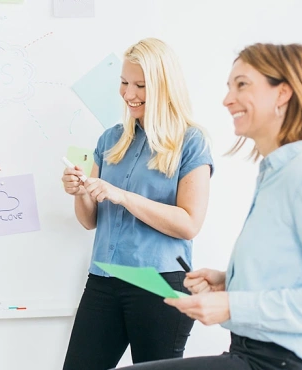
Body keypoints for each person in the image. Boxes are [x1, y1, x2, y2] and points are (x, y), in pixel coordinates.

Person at [113, 42, 302, 370]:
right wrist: (227, 281)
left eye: (242, 84)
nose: (227, 99)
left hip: (277, 360)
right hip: (248, 352)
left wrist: (232, 304)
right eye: (229, 86)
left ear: (283, 93)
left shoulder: (298, 173)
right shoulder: (274, 173)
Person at [61, 38, 214, 370]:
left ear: (163, 86)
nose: (128, 93)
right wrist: (81, 191)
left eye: (140, 85)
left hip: (158, 282)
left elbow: (189, 223)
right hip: (104, 278)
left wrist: (122, 196)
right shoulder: (110, 140)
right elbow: (90, 221)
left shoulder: (190, 142)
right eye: (124, 82)